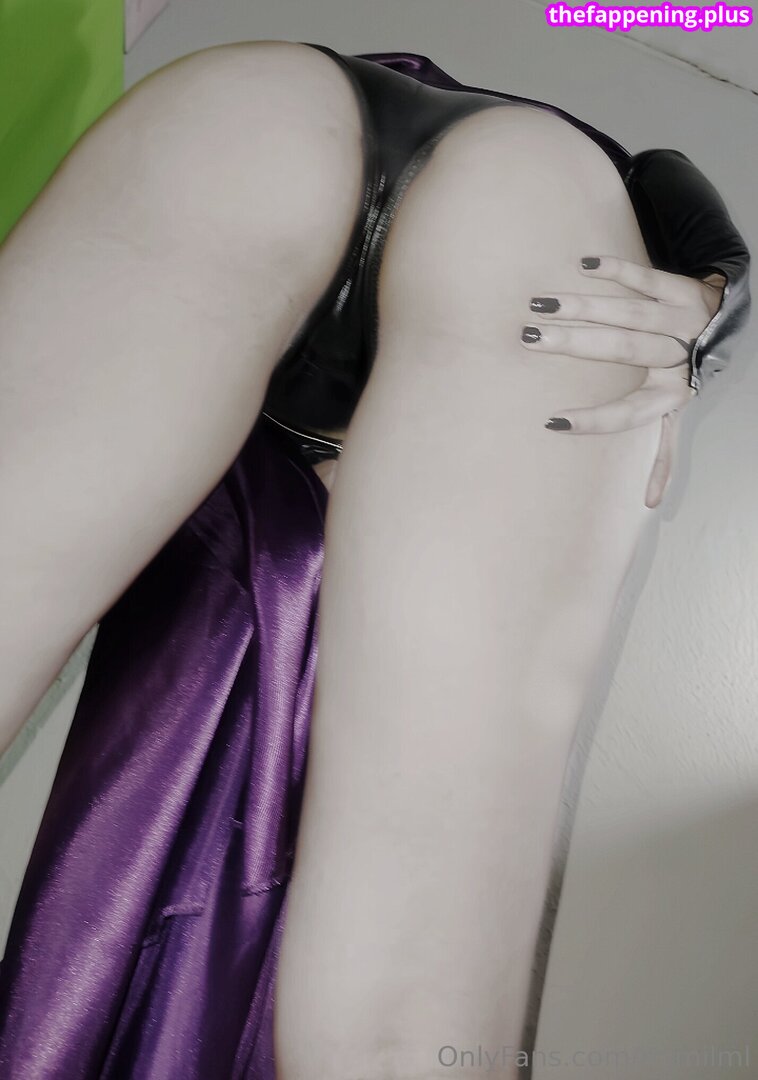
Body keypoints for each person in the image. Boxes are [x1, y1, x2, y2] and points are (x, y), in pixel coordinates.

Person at [0, 39, 750, 1080]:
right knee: (403, 1012)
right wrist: (718, 300)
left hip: (251, 117)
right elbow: (667, 179)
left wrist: (717, 301)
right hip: (548, 216)